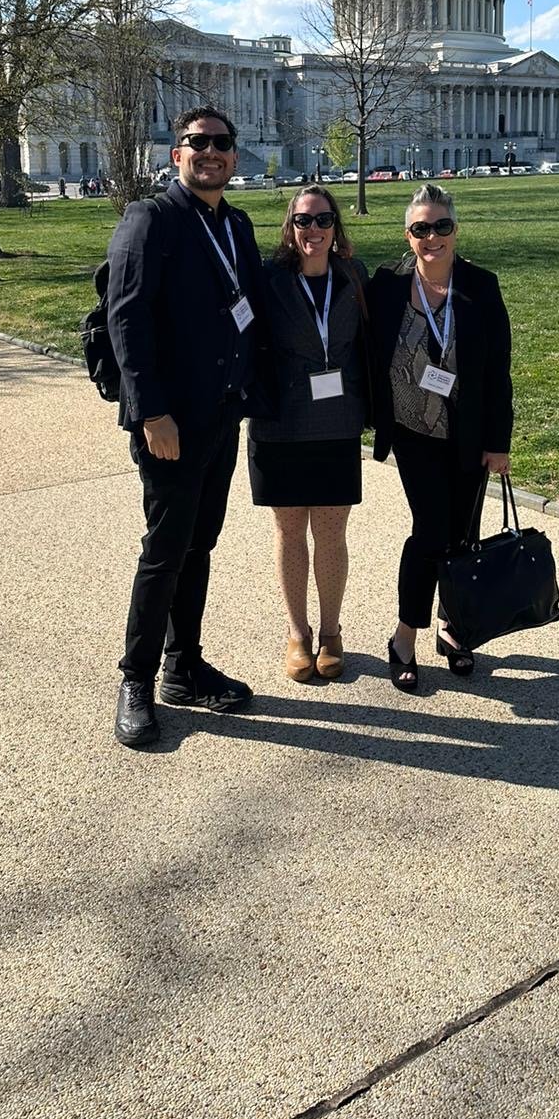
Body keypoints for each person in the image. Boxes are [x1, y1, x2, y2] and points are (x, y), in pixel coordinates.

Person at [106, 106, 270, 749]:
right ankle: (136, 678)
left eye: (221, 144)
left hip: (221, 413)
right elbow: (127, 319)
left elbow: (251, 302)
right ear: (175, 154)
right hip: (169, 421)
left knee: (200, 543)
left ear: (233, 157)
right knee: (164, 549)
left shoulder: (235, 223)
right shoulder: (151, 219)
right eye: (197, 143)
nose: (211, 153)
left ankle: (184, 666)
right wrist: (150, 410)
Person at [369, 183, 512, 692]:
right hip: (413, 433)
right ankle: (405, 634)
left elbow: (498, 371)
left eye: (441, 227)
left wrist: (499, 441)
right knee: (430, 532)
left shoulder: (481, 286)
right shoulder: (386, 286)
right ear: (408, 236)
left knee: (463, 535)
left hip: (469, 436)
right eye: (421, 228)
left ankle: (454, 631)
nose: (432, 236)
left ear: (455, 230)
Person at [248, 185, 369, 682]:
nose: (312, 230)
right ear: (289, 227)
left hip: (337, 422)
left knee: (332, 531)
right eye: (303, 221)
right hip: (280, 421)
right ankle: (297, 634)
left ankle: (332, 631)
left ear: (335, 226)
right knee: (289, 530)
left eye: (322, 220)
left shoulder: (353, 276)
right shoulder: (269, 279)